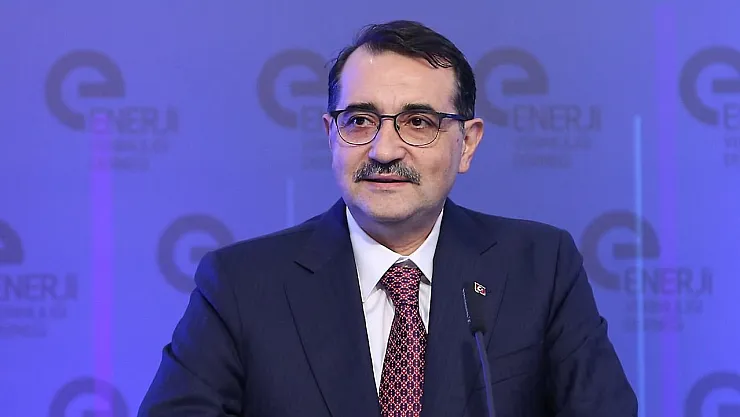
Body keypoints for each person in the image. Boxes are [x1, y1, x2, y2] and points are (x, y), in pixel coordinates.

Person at [138, 20, 638, 417]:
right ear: (330, 135)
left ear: (467, 143)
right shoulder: (241, 285)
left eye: (418, 122)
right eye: (360, 120)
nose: (384, 149)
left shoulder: (540, 267)